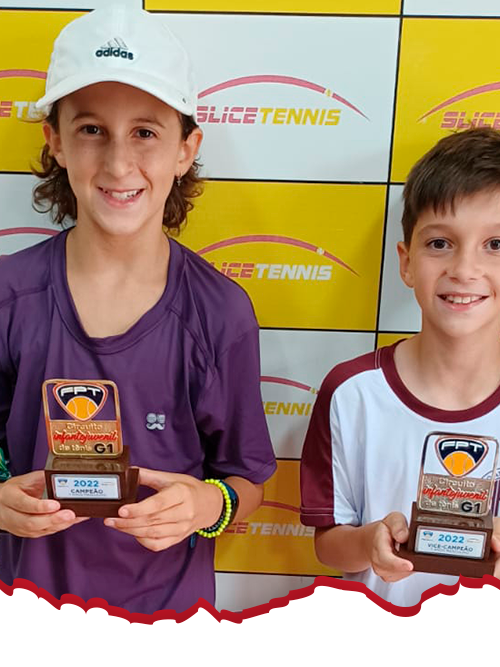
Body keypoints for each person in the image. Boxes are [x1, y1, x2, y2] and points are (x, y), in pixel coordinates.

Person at [0, 6, 276, 614]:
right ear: (55, 141)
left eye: (145, 132)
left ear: (186, 149)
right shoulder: (10, 296)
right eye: (91, 129)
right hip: (27, 621)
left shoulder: (219, 312)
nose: (119, 164)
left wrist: (209, 505)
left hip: (166, 629)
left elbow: (247, 479)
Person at [300, 126, 500, 607]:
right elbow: (329, 544)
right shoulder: (352, 392)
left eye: (496, 244)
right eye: (440, 243)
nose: (464, 270)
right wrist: (371, 543)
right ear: (407, 263)